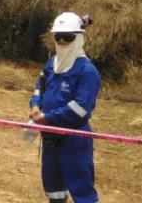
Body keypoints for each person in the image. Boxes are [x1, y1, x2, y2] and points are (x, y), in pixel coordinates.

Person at [29, 12, 99, 203]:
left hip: (74, 140)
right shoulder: (52, 64)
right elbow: (40, 87)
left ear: (78, 38)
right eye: (57, 37)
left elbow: (80, 108)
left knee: (82, 191)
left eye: (67, 37)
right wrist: (35, 105)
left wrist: (48, 118)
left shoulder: (87, 72)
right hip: (50, 139)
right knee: (53, 190)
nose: (61, 41)